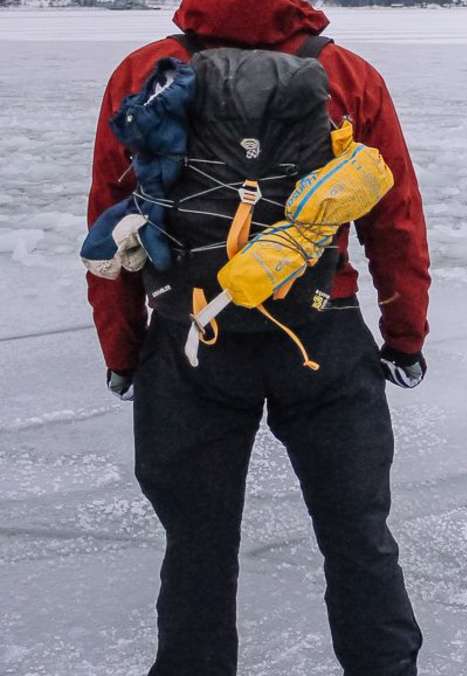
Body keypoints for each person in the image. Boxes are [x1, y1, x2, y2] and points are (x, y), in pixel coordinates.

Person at [85, 0, 428, 673]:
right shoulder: (348, 74)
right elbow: (393, 217)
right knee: (358, 536)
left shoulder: (143, 72)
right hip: (321, 333)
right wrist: (404, 334)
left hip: (190, 337)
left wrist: (124, 351)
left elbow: (111, 215)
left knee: (197, 549)